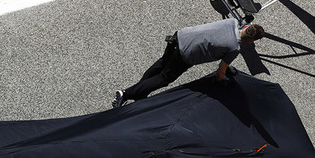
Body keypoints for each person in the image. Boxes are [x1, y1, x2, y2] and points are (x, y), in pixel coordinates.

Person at [113, 19, 265, 107]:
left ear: (246, 27)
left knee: (161, 63)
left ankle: (139, 92)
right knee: (164, 78)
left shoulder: (232, 21)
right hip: (184, 55)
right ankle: (126, 93)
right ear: (251, 41)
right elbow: (221, 70)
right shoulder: (234, 48)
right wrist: (220, 81)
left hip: (179, 37)